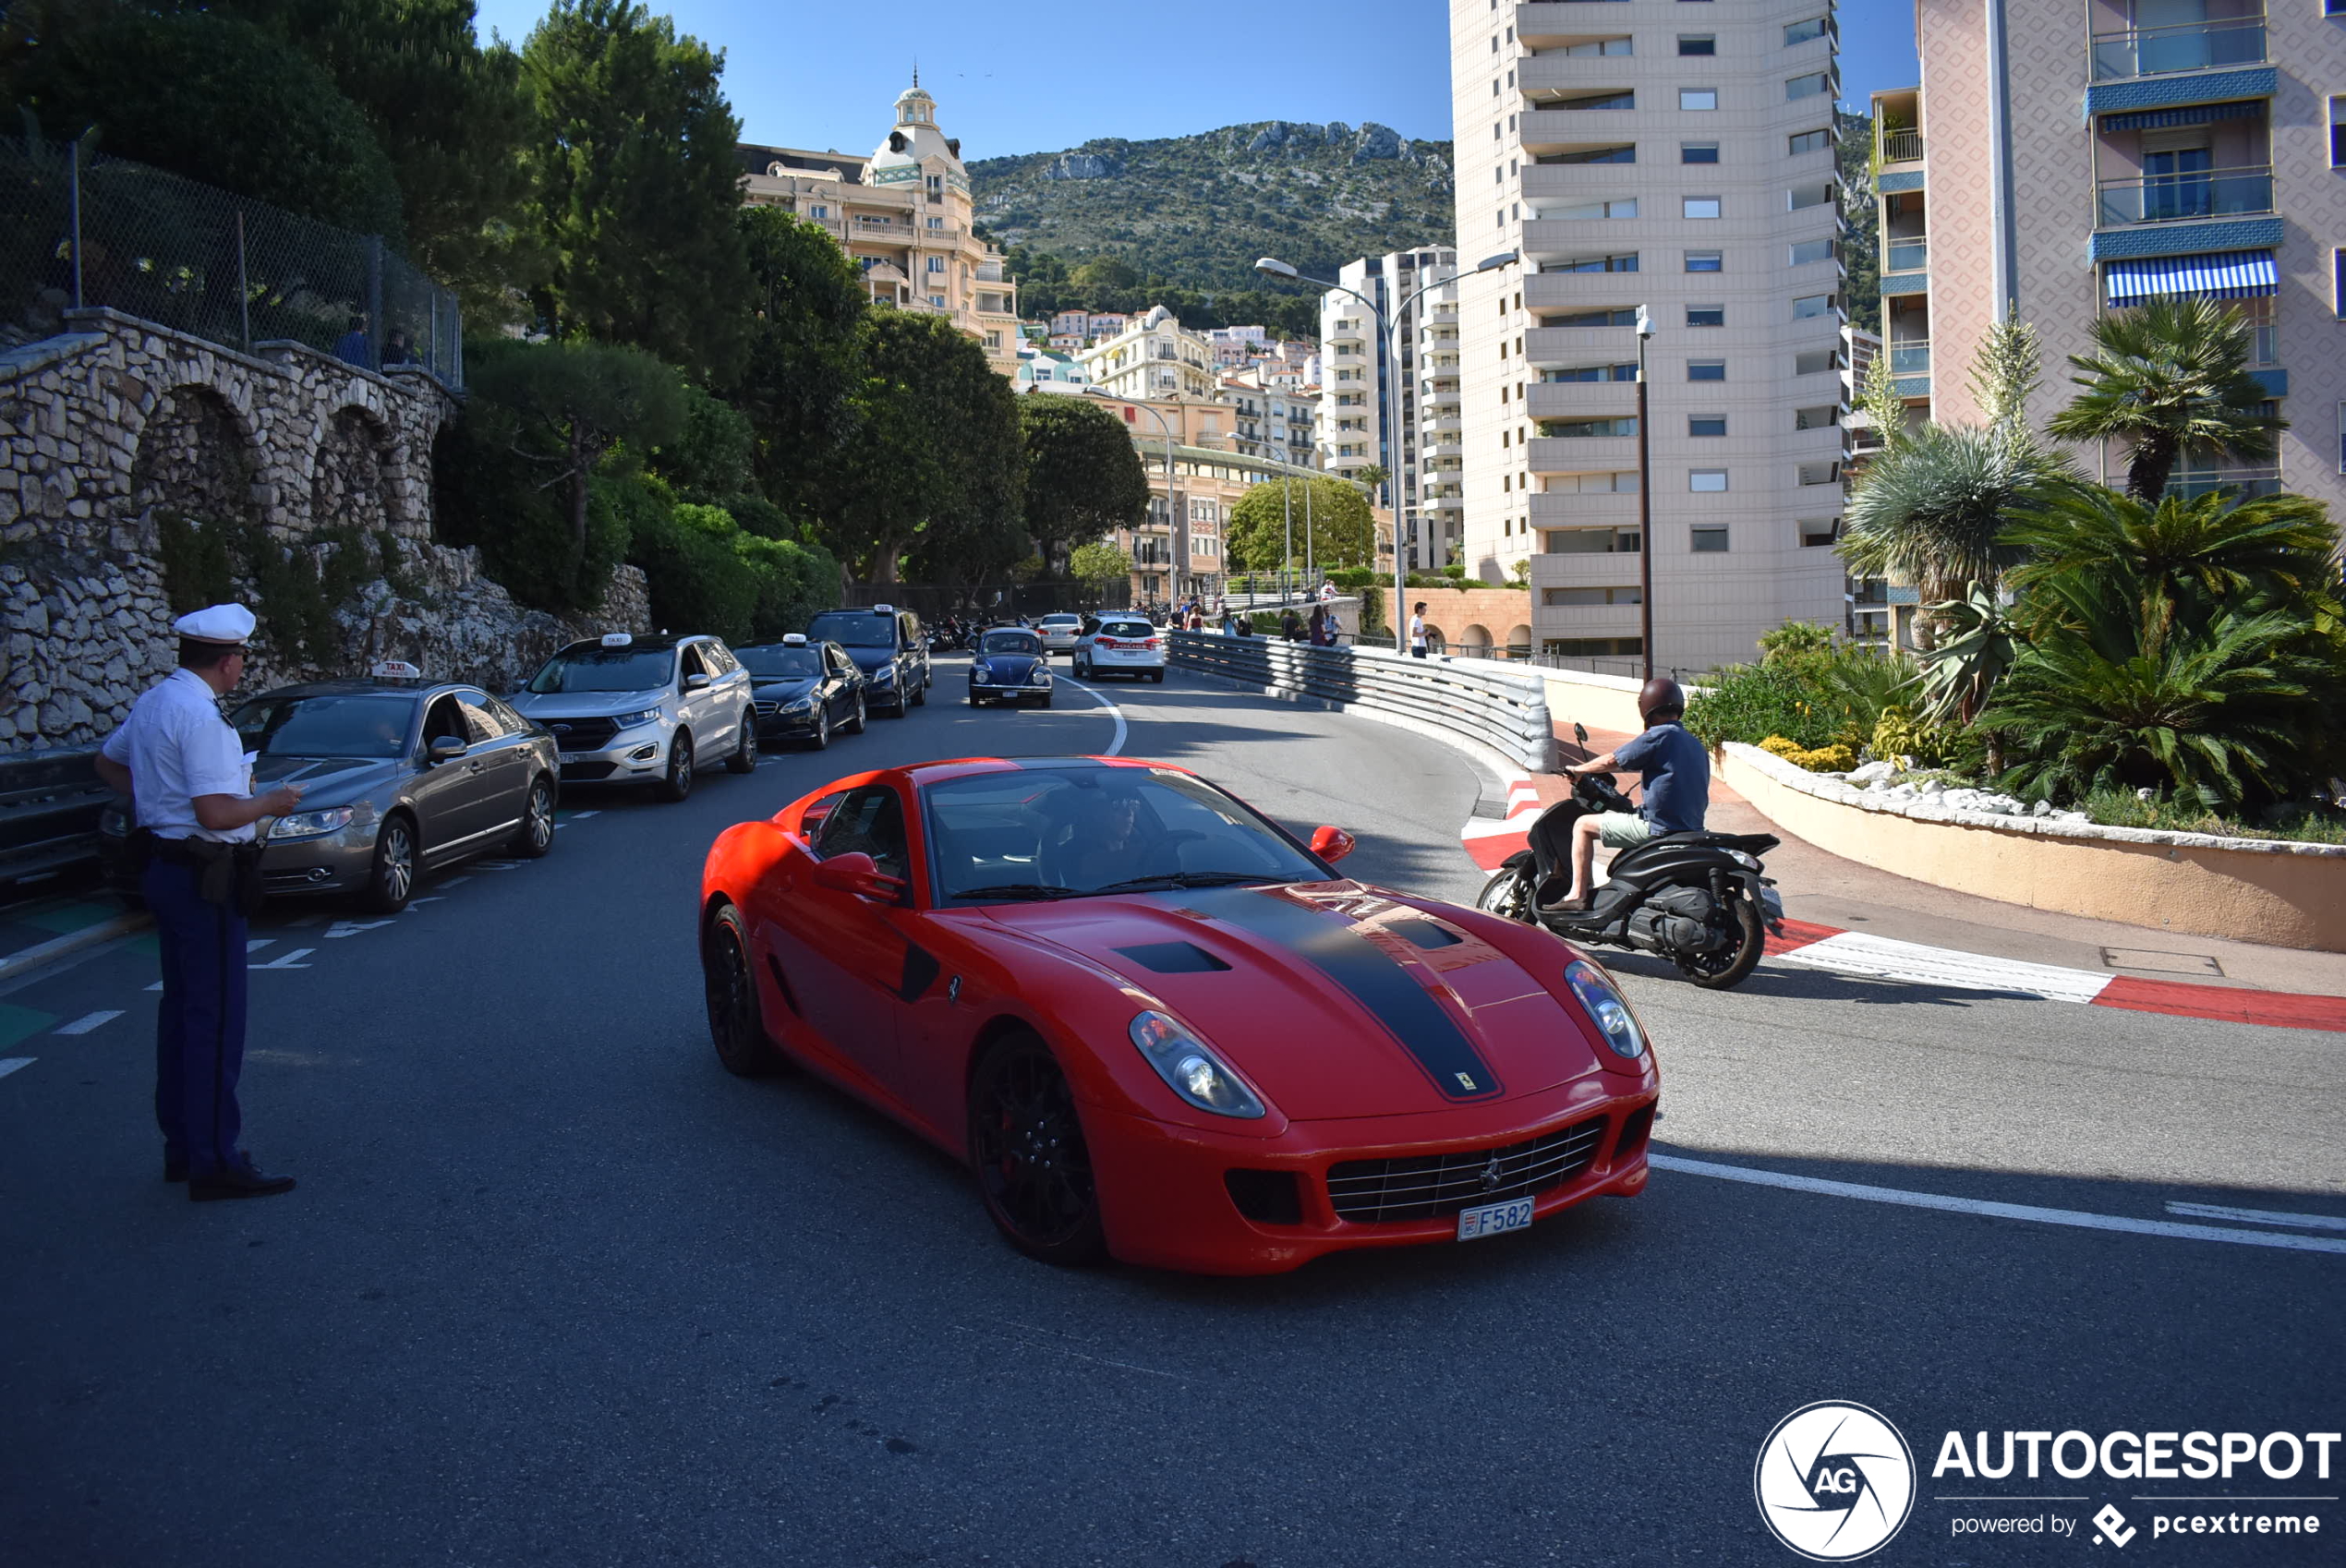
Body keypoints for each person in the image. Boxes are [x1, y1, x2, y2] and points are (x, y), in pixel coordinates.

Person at [93, 605, 305, 1200]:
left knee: (183, 1013)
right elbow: (216, 813)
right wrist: (271, 803)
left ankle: (184, 1147)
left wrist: (159, 803)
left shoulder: (155, 702)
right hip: (205, 875)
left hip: (165, 865)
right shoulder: (203, 717)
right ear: (229, 661)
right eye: (241, 660)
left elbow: (106, 762)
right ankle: (215, 1159)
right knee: (214, 1018)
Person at [1546, 677, 1711, 912]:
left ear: (1647, 709)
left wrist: (1578, 769)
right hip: (1690, 827)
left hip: (1658, 826)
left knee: (1582, 825)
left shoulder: (1660, 735)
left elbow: (1615, 760)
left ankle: (1577, 895)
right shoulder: (1694, 743)